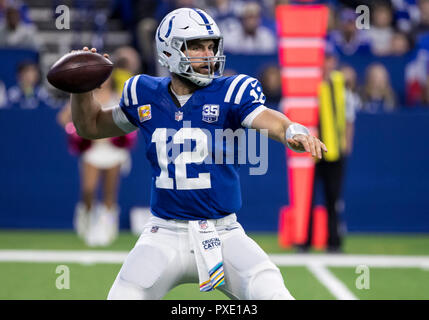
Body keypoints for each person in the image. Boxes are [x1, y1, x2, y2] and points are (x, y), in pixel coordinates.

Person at [69, 8, 326, 300]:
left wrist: (291, 130)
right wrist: (81, 91)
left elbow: (268, 119)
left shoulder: (231, 91)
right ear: (170, 49)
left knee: (272, 291)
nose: (208, 54)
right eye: (196, 46)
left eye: (211, 46)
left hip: (223, 233)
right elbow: (89, 126)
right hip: (163, 234)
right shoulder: (144, 92)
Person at [57, 75, 137, 247]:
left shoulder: (119, 97)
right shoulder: (85, 98)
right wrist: (76, 131)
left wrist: (115, 135)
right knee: (88, 189)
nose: (103, 80)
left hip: (113, 151)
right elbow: (63, 117)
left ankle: (108, 229)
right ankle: (85, 220)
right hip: (92, 151)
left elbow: (131, 120)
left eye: (106, 77)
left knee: (109, 193)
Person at [297, 47, 355, 254]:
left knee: (333, 198)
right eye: (323, 60)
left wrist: (346, 144)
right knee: (307, 199)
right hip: (310, 151)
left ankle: (334, 242)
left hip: (334, 149)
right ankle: (305, 241)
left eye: (329, 59)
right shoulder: (309, 84)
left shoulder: (341, 85)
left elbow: (349, 117)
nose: (326, 64)